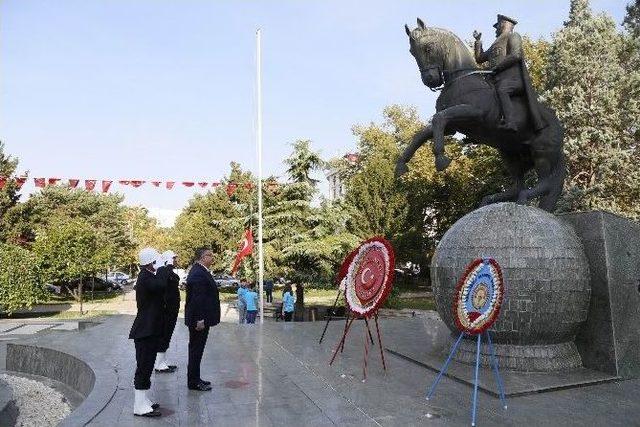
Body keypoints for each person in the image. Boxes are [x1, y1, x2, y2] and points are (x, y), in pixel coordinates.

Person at [473, 14, 545, 132]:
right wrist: (478, 41)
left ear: (503, 24)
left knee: (502, 89)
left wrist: (497, 67)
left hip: (514, 80)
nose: (496, 29)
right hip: (496, 81)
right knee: (479, 93)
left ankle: (510, 122)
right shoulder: (495, 44)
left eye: (497, 26)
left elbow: (516, 55)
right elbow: (479, 58)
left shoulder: (513, 36)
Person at [129, 247, 164, 417]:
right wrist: (165, 267)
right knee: (144, 367)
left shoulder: (148, 276)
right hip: (145, 331)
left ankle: (144, 401)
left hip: (149, 330)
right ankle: (139, 406)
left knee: (147, 366)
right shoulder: (146, 277)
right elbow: (161, 285)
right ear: (151, 262)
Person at [184, 247, 220, 391]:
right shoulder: (198, 273)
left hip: (201, 318)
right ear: (202, 257)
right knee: (196, 350)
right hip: (198, 320)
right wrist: (200, 319)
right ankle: (193, 382)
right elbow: (197, 299)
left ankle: (195, 378)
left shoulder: (201, 270)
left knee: (197, 350)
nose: (212, 257)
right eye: (209, 255)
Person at [154, 250, 180, 373]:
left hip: (171, 311)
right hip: (165, 311)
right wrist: (168, 264)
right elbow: (167, 279)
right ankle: (159, 364)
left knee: (167, 336)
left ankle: (163, 361)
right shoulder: (163, 271)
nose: (176, 261)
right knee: (163, 336)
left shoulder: (169, 273)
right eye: (173, 258)